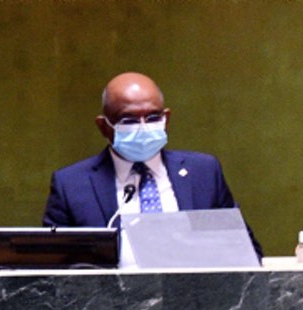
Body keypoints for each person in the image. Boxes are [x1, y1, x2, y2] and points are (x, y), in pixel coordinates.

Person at [42, 71, 262, 261]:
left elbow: (245, 252)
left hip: (191, 302)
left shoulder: (202, 173)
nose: (143, 127)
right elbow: (53, 270)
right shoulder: (71, 185)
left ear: (166, 118)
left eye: (153, 117)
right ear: (104, 127)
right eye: (128, 121)